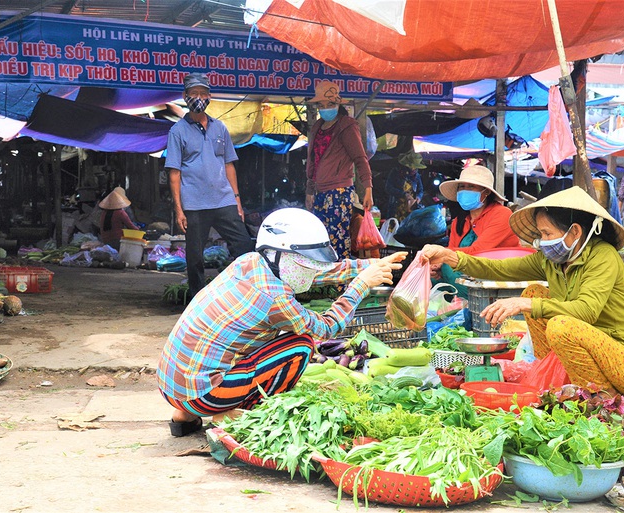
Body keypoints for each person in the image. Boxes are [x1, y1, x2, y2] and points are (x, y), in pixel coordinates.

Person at [157, 208, 405, 436]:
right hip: (206, 394)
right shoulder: (275, 299)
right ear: (276, 255)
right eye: (302, 261)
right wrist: (360, 285)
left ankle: (184, 416)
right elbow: (327, 328)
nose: (309, 267)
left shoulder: (249, 263)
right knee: (301, 345)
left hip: (170, 385)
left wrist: (366, 266)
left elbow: (315, 271)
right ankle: (235, 413)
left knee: (245, 344)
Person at [422, 186, 624, 396]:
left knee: (558, 323)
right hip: (589, 352)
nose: (542, 241)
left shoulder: (602, 257)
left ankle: (600, 395)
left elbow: (587, 311)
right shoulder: (552, 260)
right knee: (534, 293)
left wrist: (525, 305)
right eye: (541, 235)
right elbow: (498, 268)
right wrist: (452, 257)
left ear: (575, 231)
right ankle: (557, 376)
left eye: (547, 234)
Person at [165, 73, 254, 299]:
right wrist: (178, 209)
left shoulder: (220, 127)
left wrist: (237, 201)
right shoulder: (178, 131)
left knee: (244, 246)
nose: (199, 98)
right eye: (194, 93)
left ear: (209, 97)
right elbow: (174, 173)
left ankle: (246, 294)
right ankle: (197, 301)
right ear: (185, 97)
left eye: (203, 93)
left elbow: (229, 165)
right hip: (194, 204)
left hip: (223, 200)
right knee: (195, 256)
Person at [305, 80, 373, 260]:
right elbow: (313, 162)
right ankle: (323, 284)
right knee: (320, 240)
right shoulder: (317, 127)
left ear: (338, 104)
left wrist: (368, 188)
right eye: (322, 104)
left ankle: (340, 283)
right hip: (320, 192)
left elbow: (360, 158)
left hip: (340, 192)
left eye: (331, 104)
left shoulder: (347, 125)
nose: (326, 108)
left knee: (337, 240)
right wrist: (309, 191)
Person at [435, 165, 520, 298]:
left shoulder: (502, 214)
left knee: (446, 268)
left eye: (471, 187)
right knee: (431, 276)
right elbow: (452, 251)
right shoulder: (459, 221)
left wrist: (443, 256)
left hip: (495, 276)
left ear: (486, 192)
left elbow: (479, 252)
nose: (465, 190)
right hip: (466, 273)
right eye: (462, 187)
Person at [385, 151, 426, 221]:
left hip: (410, 209)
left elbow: (420, 190)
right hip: (396, 207)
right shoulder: (395, 172)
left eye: (415, 168)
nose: (414, 169)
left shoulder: (417, 176)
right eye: (412, 167)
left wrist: (418, 197)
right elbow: (388, 188)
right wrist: (404, 194)